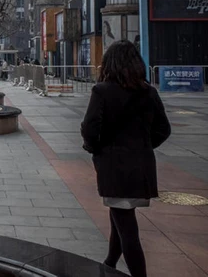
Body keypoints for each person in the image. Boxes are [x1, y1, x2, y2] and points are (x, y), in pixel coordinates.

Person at [81, 40, 171, 277]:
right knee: (119, 216)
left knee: (126, 227)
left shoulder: (102, 91)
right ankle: (109, 264)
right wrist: (142, 147)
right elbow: (164, 129)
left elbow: (90, 127)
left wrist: (95, 147)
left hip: (114, 167)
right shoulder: (148, 92)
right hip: (140, 167)